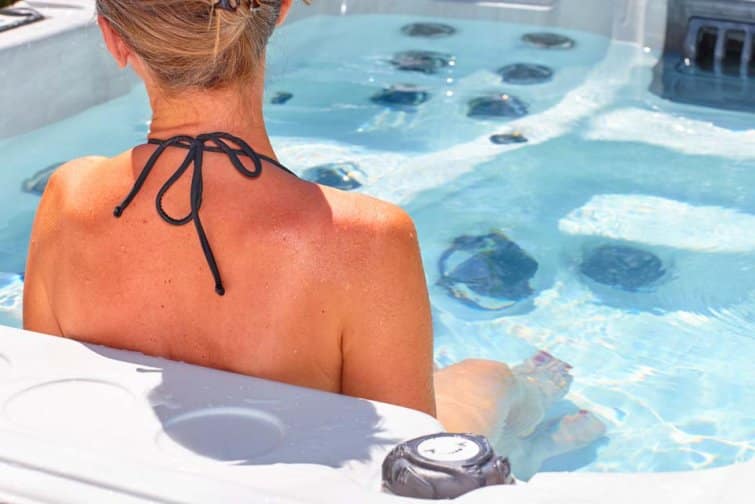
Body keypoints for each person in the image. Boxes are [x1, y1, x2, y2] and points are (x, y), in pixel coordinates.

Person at [23, 0, 603, 475]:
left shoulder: (68, 197)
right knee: (485, 378)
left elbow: (47, 398)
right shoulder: (366, 237)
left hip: (124, 479)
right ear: (279, 12)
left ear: (113, 39)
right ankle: (526, 428)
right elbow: (403, 466)